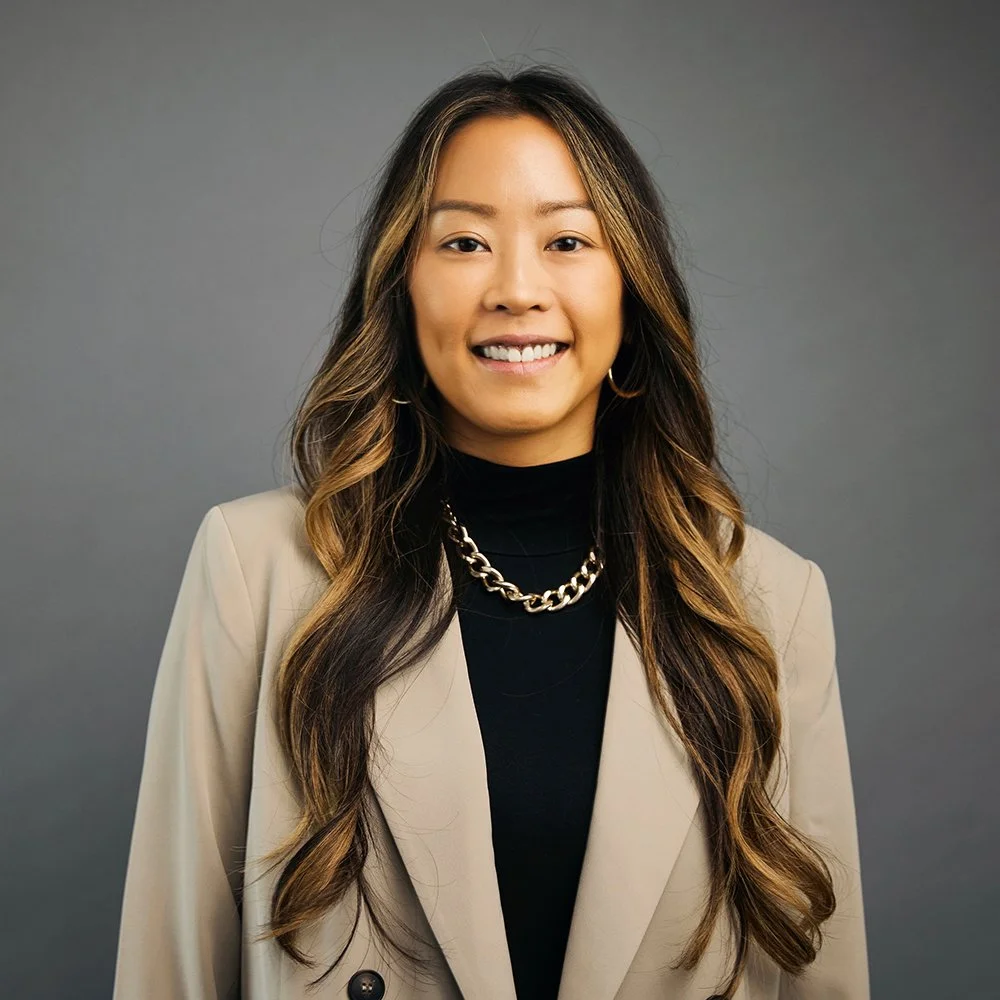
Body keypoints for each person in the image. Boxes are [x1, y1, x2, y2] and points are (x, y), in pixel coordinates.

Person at [112, 64, 869, 1000]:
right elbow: (170, 969)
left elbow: (821, 974)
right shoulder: (256, 570)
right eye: (465, 241)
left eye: (567, 241)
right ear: (402, 288)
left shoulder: (769, 603)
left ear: (632, 292)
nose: (517, 289)